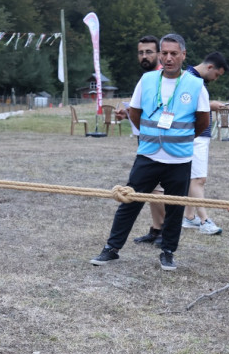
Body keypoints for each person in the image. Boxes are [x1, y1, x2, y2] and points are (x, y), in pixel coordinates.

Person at [90, 34, 209, 271]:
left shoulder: (196, 85)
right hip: (148, 154)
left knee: (175, 209)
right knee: (129, 201)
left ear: (183, 55)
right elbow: (134, 111)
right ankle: (112, 249)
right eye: (164, 53)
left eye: (174, 53)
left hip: (180, 158)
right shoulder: (147, 80)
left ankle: (168, 252)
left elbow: (203, 121)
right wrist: (150, 134)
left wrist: (179, 138)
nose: (168, 58)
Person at [124, 35, 168, 247]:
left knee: (156, 188)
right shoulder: (146, 79)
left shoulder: (163, 78)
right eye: (141, 52)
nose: (144, 56)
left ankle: (164, 231)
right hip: (144, 140)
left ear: (159, 54)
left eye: (149, 52)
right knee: (152, 188)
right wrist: (126, 113)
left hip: (160, 141)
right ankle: (157, 228)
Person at [182, 51, 229, 236]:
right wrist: (211, 105)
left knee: (192, 179)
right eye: (217, 74)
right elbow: (186, 104)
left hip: (198, 135)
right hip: (196, 135)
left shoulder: (191, 78)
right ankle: (204, 220)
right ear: (210, 67)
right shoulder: (190, 79)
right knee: (198, 179)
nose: (216, 79)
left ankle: (190, 217)